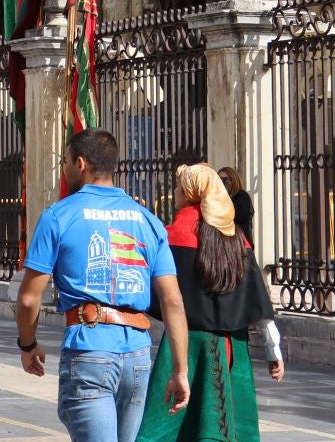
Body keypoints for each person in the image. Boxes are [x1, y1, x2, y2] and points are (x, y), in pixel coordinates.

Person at [17, 129, 190, 442]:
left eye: (65, 162)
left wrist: (28, 345)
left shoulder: (58, 216)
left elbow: (29, 299)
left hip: (89, 349)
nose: (64, 169)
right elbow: (173, 302)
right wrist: (179, 371)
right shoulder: (147, 220)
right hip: (138, 353)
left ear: (80, 164)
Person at [137, 164, 283, 442]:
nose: (175, 192)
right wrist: (273, 349)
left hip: (185, 343)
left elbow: (159, 293)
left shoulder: (174, 234)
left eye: (179, 187)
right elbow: (257, 299)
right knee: (228, 426)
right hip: (233, 348)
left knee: (171, 428)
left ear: (190, 192)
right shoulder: (236, 237)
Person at [216, 167, 254, 241]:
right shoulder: (217, 199)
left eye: (227, 180)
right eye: (220, 180)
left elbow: (240, 217)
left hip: (240, 244)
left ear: (234, 181)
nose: (223, 183)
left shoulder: (241, 196)